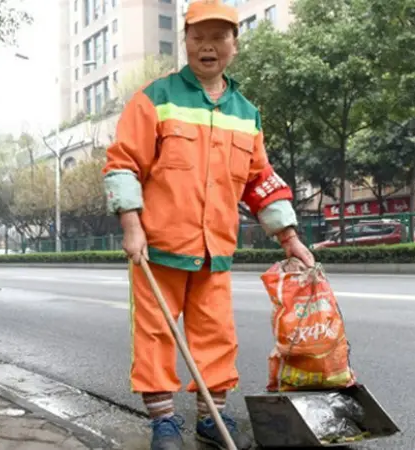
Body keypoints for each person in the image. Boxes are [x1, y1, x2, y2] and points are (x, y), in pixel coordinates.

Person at [101, 1, 315, 449]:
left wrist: (290, 238)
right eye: (198, 37)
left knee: (216, 334)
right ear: (186, 42)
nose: (208, 46)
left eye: (219, 37)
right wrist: (131, 224)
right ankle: (163, 422)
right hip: (157, 246)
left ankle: (211, 418)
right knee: (157, 331)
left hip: (216, 248)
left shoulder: (246, 112)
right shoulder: (155, 99)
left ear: (234, 45)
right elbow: (123, 164)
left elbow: (260, 180)